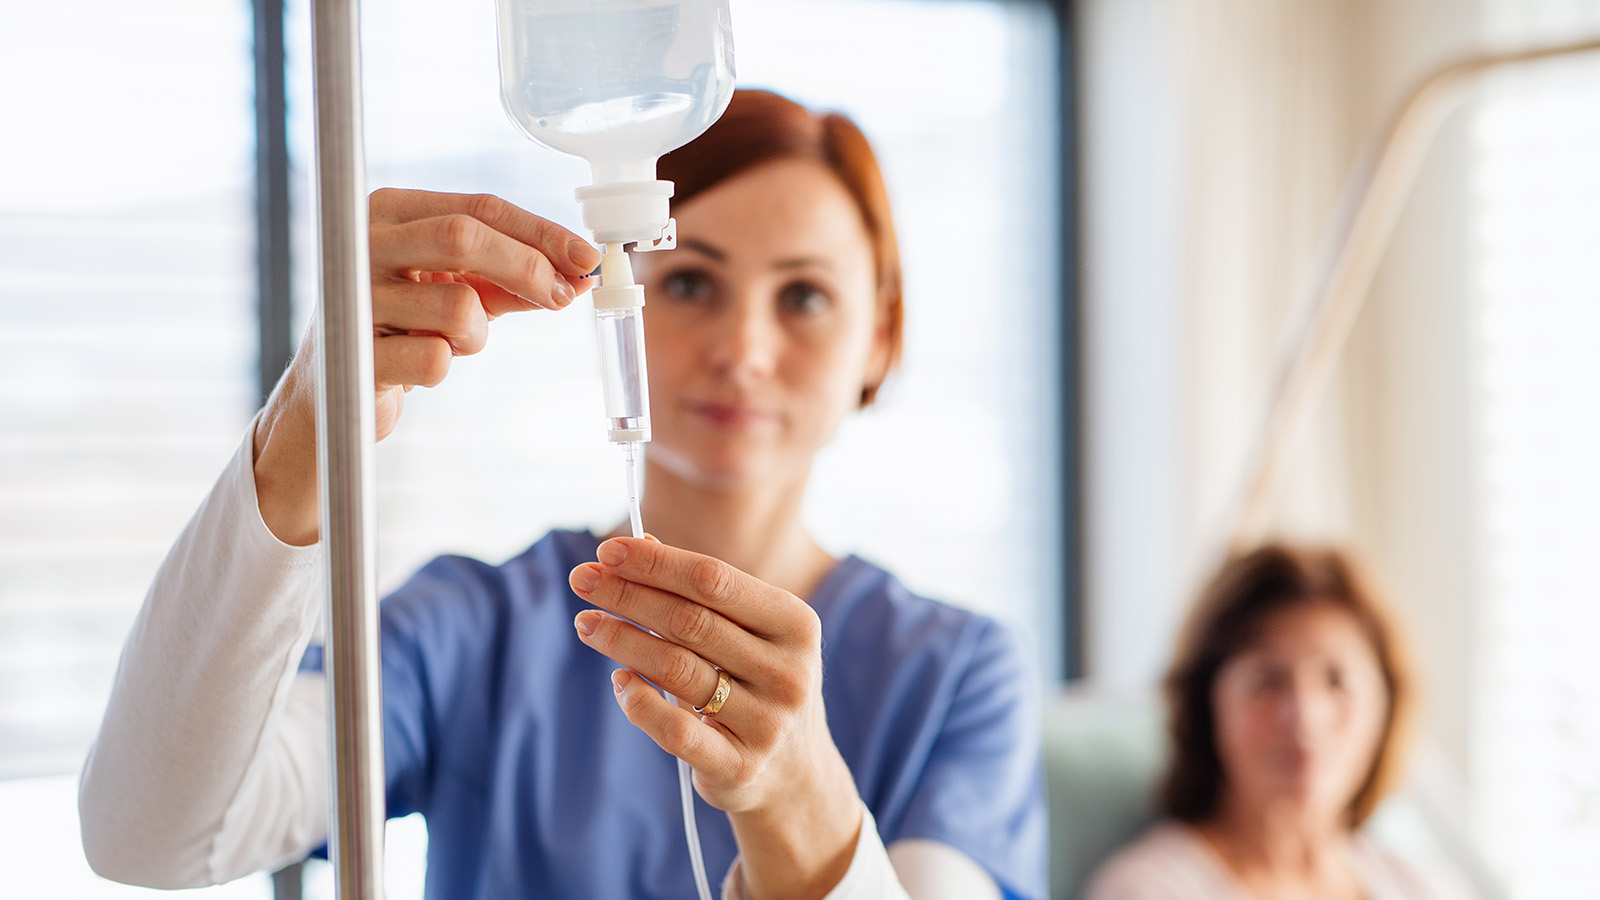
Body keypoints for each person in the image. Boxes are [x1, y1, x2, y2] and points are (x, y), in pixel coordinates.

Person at [77, 89, 1046, 900]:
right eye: (691, 283)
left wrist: (799, 798)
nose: (742, 352)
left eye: (803, 298)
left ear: (879, 336)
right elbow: (152, 833)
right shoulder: (475, 630)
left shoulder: (953, 678)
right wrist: (305, 425)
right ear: (618, 290)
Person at [1084, 544, 1476, 900]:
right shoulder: (1148, 889)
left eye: (1336, 680)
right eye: (1267, 682)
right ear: (1207, 705)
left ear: (1385, 705)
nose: (1305, 718)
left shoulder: (1426, 886)